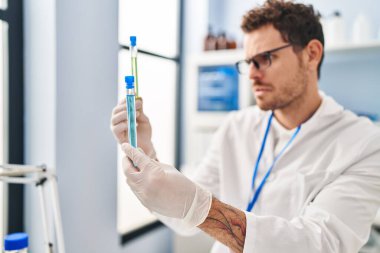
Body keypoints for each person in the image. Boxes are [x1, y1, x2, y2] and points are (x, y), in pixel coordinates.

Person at [110, 1, 380, 252]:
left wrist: (201, 209)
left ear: (311, 54)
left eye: (265, 58)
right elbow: (182, 215)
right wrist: (147, 154)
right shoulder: (236, 126)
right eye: (248, 62)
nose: (251, 73)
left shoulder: (364, 143)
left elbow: (319, 244)